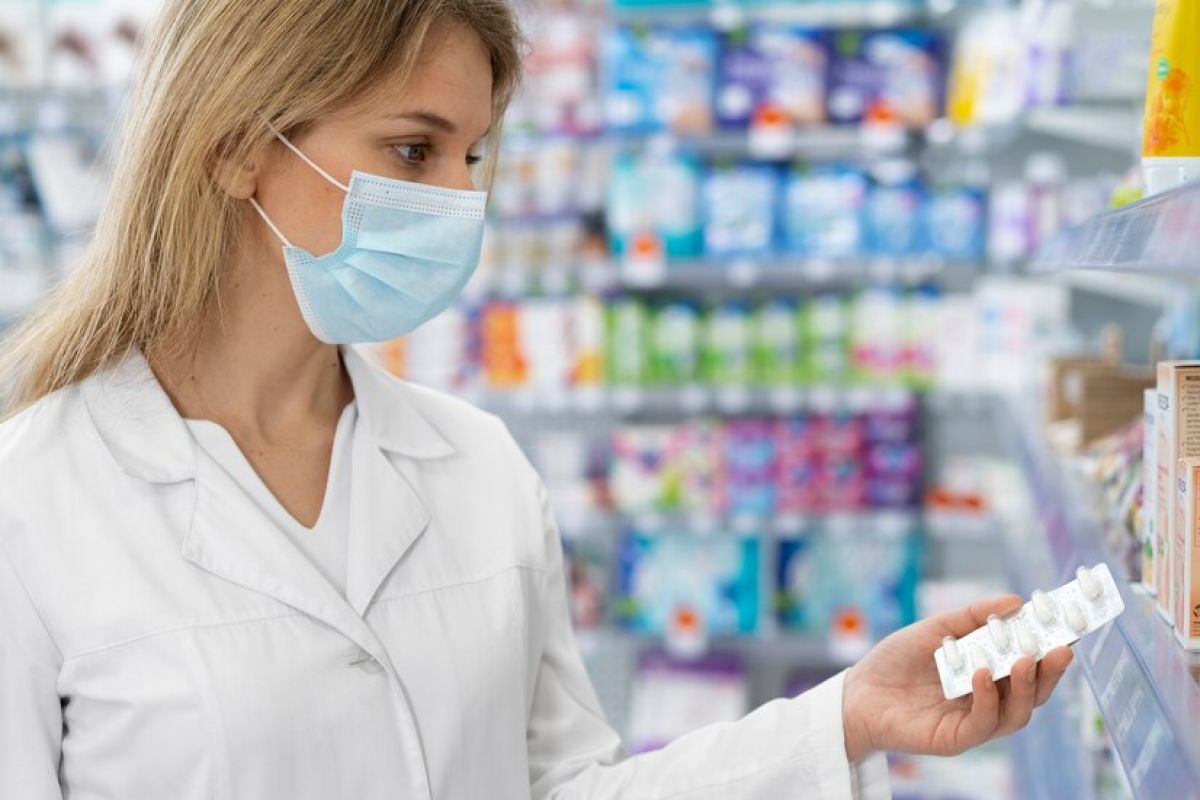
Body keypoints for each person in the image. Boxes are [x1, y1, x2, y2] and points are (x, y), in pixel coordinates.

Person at [0, 1, 1073, 798]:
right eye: (413, 149)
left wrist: (843, 719)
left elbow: (561, 788)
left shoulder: (478, 466)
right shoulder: (36, 501)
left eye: (472, 156)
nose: (460, 200)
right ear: (237, 145)